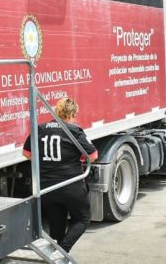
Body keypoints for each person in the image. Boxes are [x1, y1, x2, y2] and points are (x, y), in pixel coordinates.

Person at [22, 98, 98, 253]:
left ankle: (57, 254)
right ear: (71, 114)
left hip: (46, 187)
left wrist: (45, 162)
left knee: (57, 226)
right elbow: (93, 155)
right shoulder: (74, 130)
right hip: (71, 185)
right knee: (82, 219)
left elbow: (26, 153)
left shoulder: (40, 129)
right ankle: (62, 252)